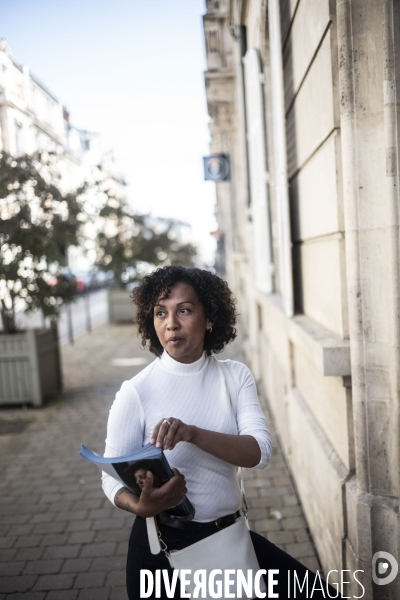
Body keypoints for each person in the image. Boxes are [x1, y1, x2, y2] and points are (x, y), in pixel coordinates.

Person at [101, 266, 340, 599]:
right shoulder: (137, 392)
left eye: (184, 310)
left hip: (228, 539)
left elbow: (259, 451)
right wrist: (140, 506)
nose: (171, 323)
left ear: (209, 317)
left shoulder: (234, 377)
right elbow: (110, 477)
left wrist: (193, 433)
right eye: (160, 313)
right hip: (163, 551)